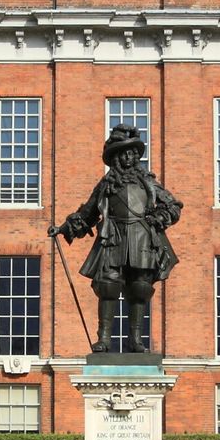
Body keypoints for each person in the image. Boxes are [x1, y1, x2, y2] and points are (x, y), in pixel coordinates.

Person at [50, 125, 182, 353]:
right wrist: (63, 228)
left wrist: (159, 217)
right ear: (116, 157)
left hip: (142, 237)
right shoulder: (106, 185)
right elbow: (88, 213)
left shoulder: (148, 182)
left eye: (132, 152)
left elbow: (172, 206)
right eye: (124, 152)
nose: (129, 156)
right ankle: (104, 338)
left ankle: (136, 339)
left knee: (140, 288)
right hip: (114, 237)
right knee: (108, 286)